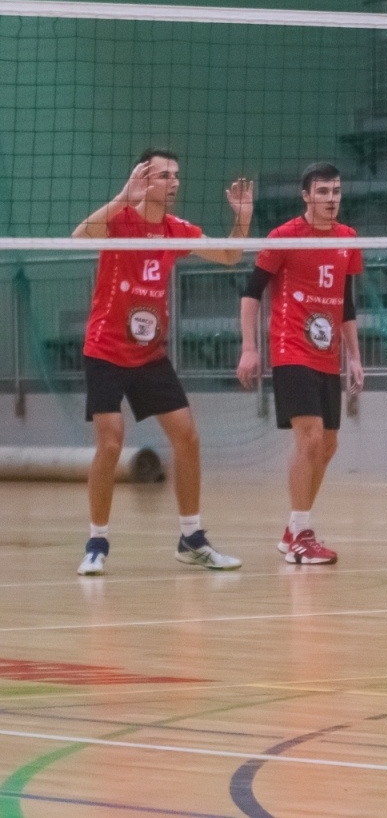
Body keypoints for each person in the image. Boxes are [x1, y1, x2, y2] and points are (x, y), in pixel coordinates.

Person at [72, 150, 253, 576]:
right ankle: (97, 542)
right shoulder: (120, 220)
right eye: (163, 175)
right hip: (106, 349)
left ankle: (191, 539)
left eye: (176, 175)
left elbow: (229, 257)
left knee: (187, 438)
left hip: (150, 355)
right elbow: (80, 236)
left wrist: (242, 217)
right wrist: (122, 196)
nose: (173, 182)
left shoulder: (176, 230)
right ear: (143, 179)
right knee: (111, 442)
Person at [237, 162, 364, 565]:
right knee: (309, 439)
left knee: (328, 443)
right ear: (306, 196)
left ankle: (294, 529)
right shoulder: (284, 237)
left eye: (336, 191)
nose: (332, 199)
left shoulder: (347, 238)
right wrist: (249, 348)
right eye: (323, 192)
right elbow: (251, 291)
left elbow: (346, 302)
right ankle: (301, 534)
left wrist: (355, 357)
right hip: (291, 349)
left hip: (328, 357)